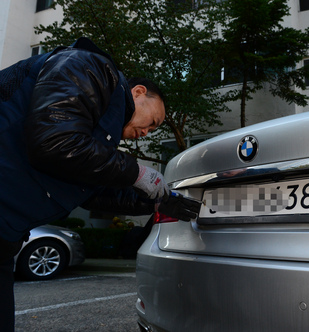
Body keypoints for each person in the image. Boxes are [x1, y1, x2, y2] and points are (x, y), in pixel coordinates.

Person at [0, 37, 201, 331]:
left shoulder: (95, 133)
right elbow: (55, 141)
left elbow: (90, 191)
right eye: (153, 122)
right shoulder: (90, 67)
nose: (147, 132)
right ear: (138, 92)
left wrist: (156, 201)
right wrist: (137, 172)